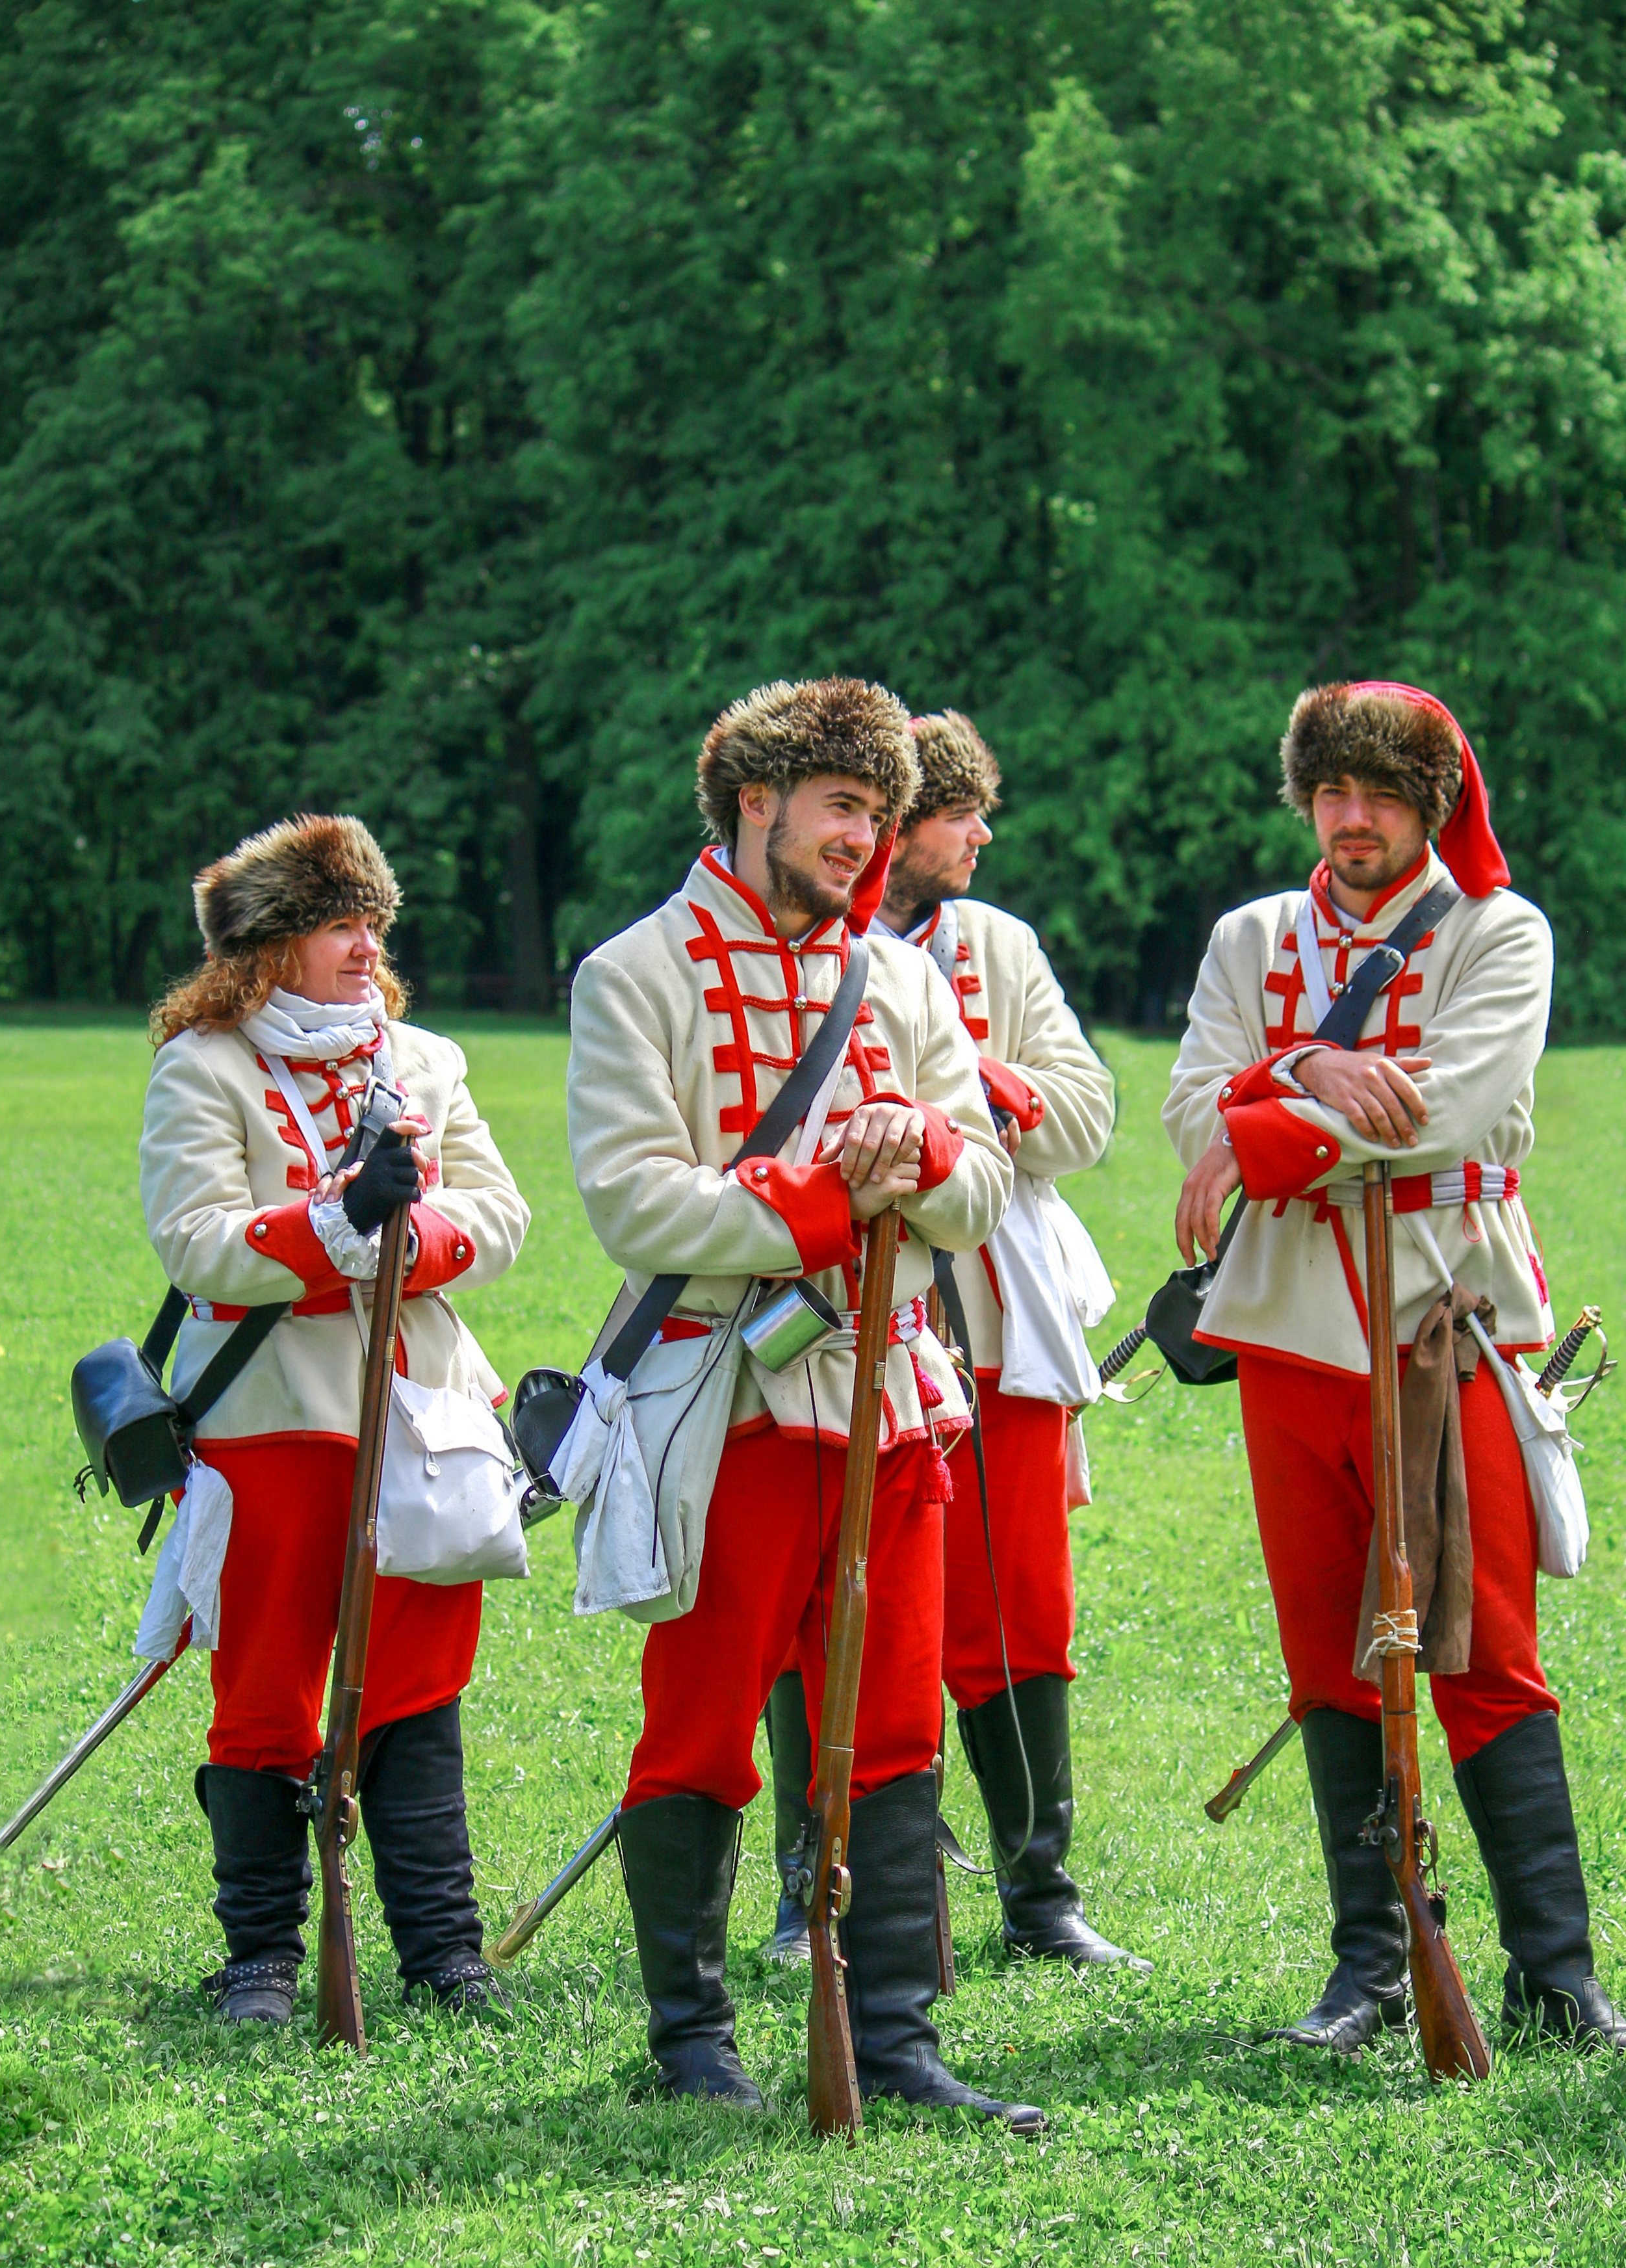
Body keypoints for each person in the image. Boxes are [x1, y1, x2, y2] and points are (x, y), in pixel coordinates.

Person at [567, 677, 1042, 2128]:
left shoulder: (896, 977)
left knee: (893, 1723)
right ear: (754, 800)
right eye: (841, 807)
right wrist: (829, 1192)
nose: (863, 839)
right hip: (723, 1397)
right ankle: (690, 2039)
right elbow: (635, 1201)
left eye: (880, 814)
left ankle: (892, 2041)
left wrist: (924, 1153)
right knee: (703, 1725)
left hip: (891, 1398)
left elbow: (979, 1187)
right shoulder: (632, 971)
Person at [1165, 681, 1623, 2050]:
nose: (1348, 818)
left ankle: (1556, 1976)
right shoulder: (1251, 938)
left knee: (1480, 1649)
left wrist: (1265, 1108)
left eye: (1377, 793)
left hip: (1446, 1321)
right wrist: (1304, 1062)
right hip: (1288, 1332)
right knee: (1327, 1656)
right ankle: (1368, 1968)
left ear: (1429, 805)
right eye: (1328, 791)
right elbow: (1191, 1099)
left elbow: (1447, 1108)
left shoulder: (1499, 930)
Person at [760, 710, 1148, 1970]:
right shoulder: (795, 947)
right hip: (839, 1324)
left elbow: (1085, 1109)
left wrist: (968, 1089)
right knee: (812, 1601)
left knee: (1017, 1607)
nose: (976, 835)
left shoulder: (997, 948)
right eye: (956, 815)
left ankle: (1040, 1893)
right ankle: (807, 1885)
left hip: (993, 1321)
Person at [140, 813, 529, 2024]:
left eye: (373, 924)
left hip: (422, 1414)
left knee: (418, 1678)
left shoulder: (429, 1061)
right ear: (266, 951)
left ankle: (443, 1951)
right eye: (337, 926)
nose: (366, 947)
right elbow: (197, 1241)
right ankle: (261, 1957)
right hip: (271, 1420)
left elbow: (503, 1216)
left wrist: (413, 1236)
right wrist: (344, 1220)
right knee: (264, 1686)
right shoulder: (203, 1067)